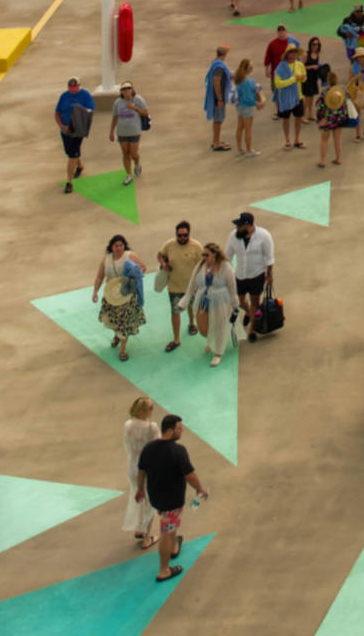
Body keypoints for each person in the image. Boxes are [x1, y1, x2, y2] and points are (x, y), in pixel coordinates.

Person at [135, 415, 208, 582]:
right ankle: (164, 570)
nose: (181, 431)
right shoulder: (178, 451)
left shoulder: (149, 448)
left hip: (156, 496)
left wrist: (140, 489)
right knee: (166, 532)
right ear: (170, 430)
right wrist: (200, 489)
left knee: (171, 524)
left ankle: (174, 546)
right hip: (172, 500)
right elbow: (190, 476)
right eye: (179, 428)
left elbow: (141, 471)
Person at [179, 243, 239, 365]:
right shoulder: (201, 265)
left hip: (221, 300)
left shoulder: (225, 267)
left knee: (220, 326)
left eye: (207, 255)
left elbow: (232, 288)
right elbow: (192, 284)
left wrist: (235, 305)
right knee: (203, 329)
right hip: (203, 300)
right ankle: (212, 341)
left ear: (215, 255)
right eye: (203, 255)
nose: (204, 257)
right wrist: (185, 301)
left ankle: (218, 352)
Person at [92, 233, 148, 361]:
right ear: (111, 247)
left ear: (124, 246)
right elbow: (100, 276)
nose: (119, 248)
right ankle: (117, 335)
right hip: (111, 295)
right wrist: (95, 291)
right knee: (113, 320)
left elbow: (143, 268)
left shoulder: (130, 256)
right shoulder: (106, 259)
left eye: (121, 245)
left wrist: (133, 278)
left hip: (126, 295)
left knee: (124, 323)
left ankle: (122, 349)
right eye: (116, 245)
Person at [225, 212, 275, 341]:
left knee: (255, 303)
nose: (237, 228)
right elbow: (227, 256)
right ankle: (248, 312)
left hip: (257, 275)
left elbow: (269, 257)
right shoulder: (233, 236)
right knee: (239, 301)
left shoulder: (264, 236)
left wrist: (269, 275)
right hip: (240, 275)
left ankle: (252, 330)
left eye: (239, 226)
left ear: (248, 225)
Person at [157, 220, 203, 350]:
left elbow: (203, 263)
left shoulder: (196, 246)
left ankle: (191, 323)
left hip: (192, 287)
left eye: (185, 235)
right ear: (176, 234)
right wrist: (164, 264)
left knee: (191, 307)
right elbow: (160, 254)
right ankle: (176, 339)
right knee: (175, 312)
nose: (182, 238)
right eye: (179, 235)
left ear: (189, 233)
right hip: (174, 286)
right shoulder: (169, 245)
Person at [121, 398, 159, 548]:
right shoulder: (152, 427)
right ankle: (147, 537)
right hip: (148, 467)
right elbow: (157, 448)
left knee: (136, 496)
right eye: (151, 408)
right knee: (151, 502)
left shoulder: (128, 425)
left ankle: (138, 528)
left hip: (132, 465)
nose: (152, 410)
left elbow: (127, 445)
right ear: (144, 410)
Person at [55, 75, 94, 194]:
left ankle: (69, 182)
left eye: (75, 86)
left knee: (72, 156)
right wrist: (62, 126)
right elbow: (57, 113)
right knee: (71, 153)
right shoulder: (64, 96)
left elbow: (90, 112)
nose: (72, 88)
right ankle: (80, 166)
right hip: (64, 131)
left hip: (77, 132)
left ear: (79, 86)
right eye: (70, 87)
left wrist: (78, 123)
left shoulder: (85, 95)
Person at [110, 80, 148, 186]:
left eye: (128, 88)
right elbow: (115, 117)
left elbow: (145, 113)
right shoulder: (117, 103)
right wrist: (111, 131)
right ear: (121, 92)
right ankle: (128, 175)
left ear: (132, 89)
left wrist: (135, 108)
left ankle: (137, 163)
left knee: (133, 153)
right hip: (122, 132)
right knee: (125, 154)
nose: (126, 91)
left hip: (135, 131)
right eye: (124, 89)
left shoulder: (138, 100)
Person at [273, 42, 307, 149]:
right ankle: (287, 140)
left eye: (295, 52)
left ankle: (297, 139)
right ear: (287, 54)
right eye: (291, 52)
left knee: (298, 118)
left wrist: (302, 78)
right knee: (286, 119)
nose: (293, 54)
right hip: (285, 98)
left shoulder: (300, 65)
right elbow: (278, 84)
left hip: (298, 96)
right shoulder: (281, 67)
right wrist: (294, 79)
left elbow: (304, 78)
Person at [317, 74, 354, 168]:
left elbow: (319, 106)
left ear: (328, 81)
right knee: (337, 138)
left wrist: (320, 119)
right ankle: (338, 158)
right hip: (340, 118)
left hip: (327, 119)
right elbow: (349, 98)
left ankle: (322, 161)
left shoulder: (325, 92)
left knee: (324, 139)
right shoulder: (343, 89)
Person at [232, 59, 265, 157]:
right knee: (248, 129)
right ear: (247, 68)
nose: (252, 68)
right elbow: (249, 97)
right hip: (247, 107)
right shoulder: (247, 81)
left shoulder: (239, 79)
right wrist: (257, 103)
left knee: (240, 127)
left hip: (240, 106)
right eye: (251, 67)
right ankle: (249, 150)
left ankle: (239, 149)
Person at [203, 44, 232, 153]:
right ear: (225, 54)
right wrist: (220, 99)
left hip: (216, 97)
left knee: (217, 120)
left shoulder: (215, 63)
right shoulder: (219, 67)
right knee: (218, 120)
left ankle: (216, 140)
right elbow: (216, 82)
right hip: (217, 98)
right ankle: (216, 143)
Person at [301, 36, 327, 123]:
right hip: (307, 78)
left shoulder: (317, 54)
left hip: (313, 78)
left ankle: (310, 114)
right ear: (310, 45)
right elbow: (301, 67)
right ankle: (303, 115)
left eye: (317, 44)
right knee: (307, 98)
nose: (315, 46)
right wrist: (312, 67)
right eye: (314, 44)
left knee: (312, 97)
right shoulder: (305, 54)